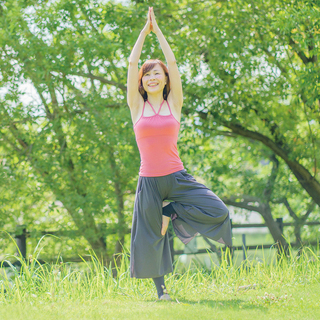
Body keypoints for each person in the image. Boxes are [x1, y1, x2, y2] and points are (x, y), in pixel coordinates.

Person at [127, 7, 232, 301]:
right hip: (148, 180)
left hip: (176, 176)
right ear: (142, 81)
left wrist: (157, 31)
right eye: (147, 75)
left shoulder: (175, 103)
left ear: (165, 78)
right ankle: (162, 292)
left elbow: (172, 62)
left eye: (156, 73)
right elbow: (132, 62)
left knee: (219, 209)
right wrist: (142, 32)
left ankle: (169, 212)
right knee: (151, 237)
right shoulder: (137, 106)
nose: (151, 78)